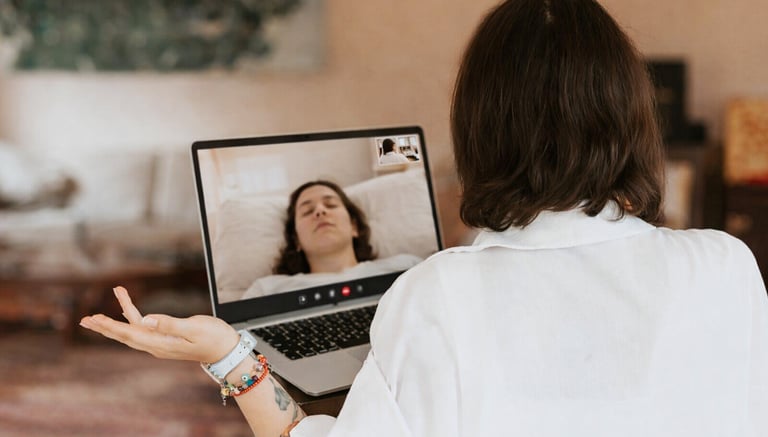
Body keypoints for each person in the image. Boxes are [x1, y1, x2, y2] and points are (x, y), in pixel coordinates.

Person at [80, 0, 768, 435]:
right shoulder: (728, 267)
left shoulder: (438, 292)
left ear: (479, 128)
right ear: (633, 117)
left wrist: (232, 357)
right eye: (305, 207)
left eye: (331, 201)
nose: (319, 210)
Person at [241, 180, 421, 298]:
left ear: (354, 227)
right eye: (307, 211)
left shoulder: (406, 268)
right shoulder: (266, 290)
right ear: (296, 240)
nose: (320, 211)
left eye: (331, 205)